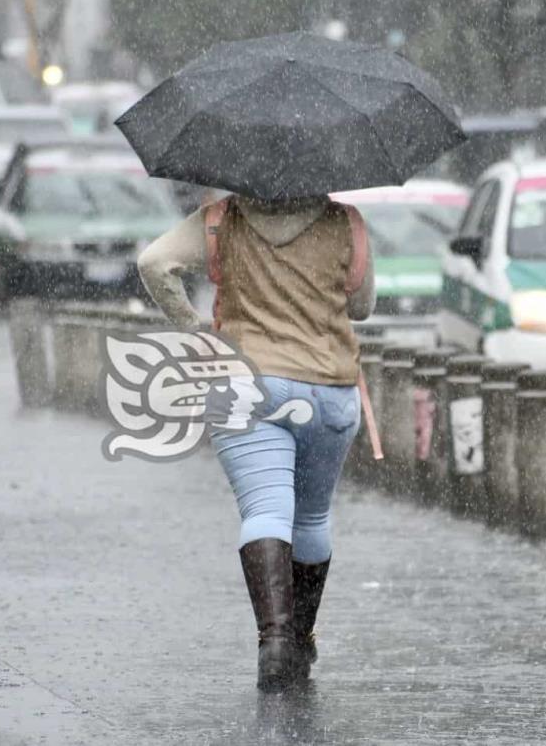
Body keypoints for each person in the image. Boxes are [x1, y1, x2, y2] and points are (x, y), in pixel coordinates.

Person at [138, 193, 375, 692]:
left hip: (248, 384)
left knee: (265, 512)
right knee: (311, 516)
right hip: (327, 389)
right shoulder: (346, 222)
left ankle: (274, 642)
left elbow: (154, 263)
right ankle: (302, 636)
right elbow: (362, 306)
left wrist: (194, 326)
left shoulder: (222, 218)